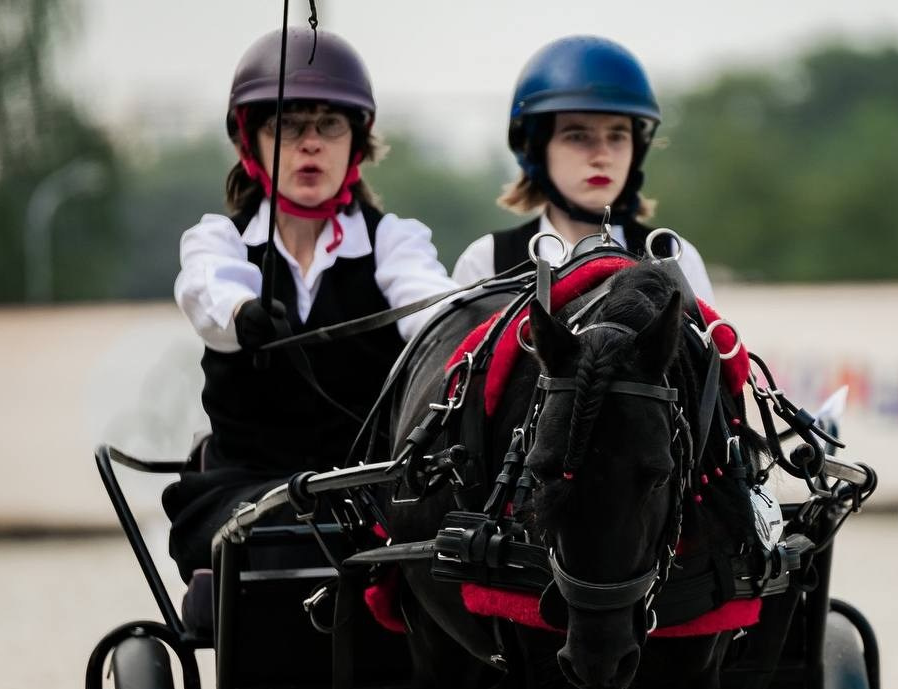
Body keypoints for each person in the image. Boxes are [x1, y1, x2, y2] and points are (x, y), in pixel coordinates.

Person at [163, 27, 456, 590]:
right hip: (245, 487)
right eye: (288, 124)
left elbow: (430, 306)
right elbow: (208, 290)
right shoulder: (218, 241)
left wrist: (472, 328)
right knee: (276, 531)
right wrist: (243, 312)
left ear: (357, 141)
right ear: (251, 140)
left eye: (329, 124)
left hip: (370, 485)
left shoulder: (394, 241)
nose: (310, 143)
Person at [452, 35, 715, 305]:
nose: (602, 156)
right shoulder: (488, 262)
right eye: (577, 136)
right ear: (538, 149)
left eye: (617, 136)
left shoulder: (674, 256)